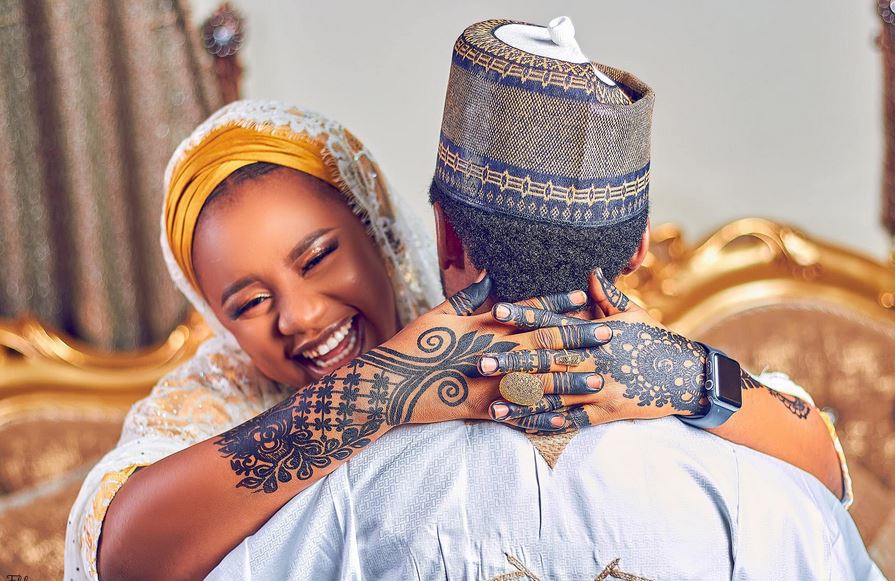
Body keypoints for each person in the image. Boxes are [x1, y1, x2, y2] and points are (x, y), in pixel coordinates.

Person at [65, 52, 849, 581]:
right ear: (214, 316)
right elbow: (124, 556)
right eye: (247, 301)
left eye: (317, 257)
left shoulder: (553, 333)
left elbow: (819, 467)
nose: (299, 316)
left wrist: (685, 376)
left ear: (381, 229)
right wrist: (385, 391)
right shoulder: (212, 398)